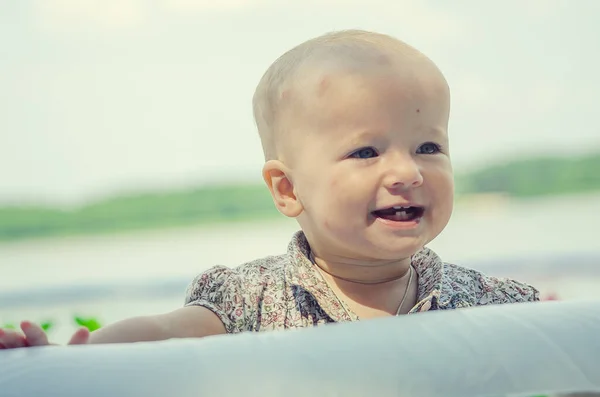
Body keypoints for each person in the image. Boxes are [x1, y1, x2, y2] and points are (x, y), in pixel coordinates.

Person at [0, 29, 539, 349]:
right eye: (366, 152)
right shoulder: (251, 301)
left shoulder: (489, 303)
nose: (407, 172)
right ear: (286, 189)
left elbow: (570, 344)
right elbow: (162, 331)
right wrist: (73, 358)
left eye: (429, 147)